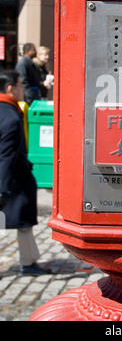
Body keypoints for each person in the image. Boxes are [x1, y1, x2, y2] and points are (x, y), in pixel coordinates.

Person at [0, 70, 51, 275]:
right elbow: (7, 155)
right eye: (21, 85)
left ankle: (29, 260)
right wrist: (3, 189)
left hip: (10, 178)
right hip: (14, 180)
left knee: (22, 222)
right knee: (24, 221)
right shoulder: (12, 116)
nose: (24, 90)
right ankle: (28, 262)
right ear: (11, 88)